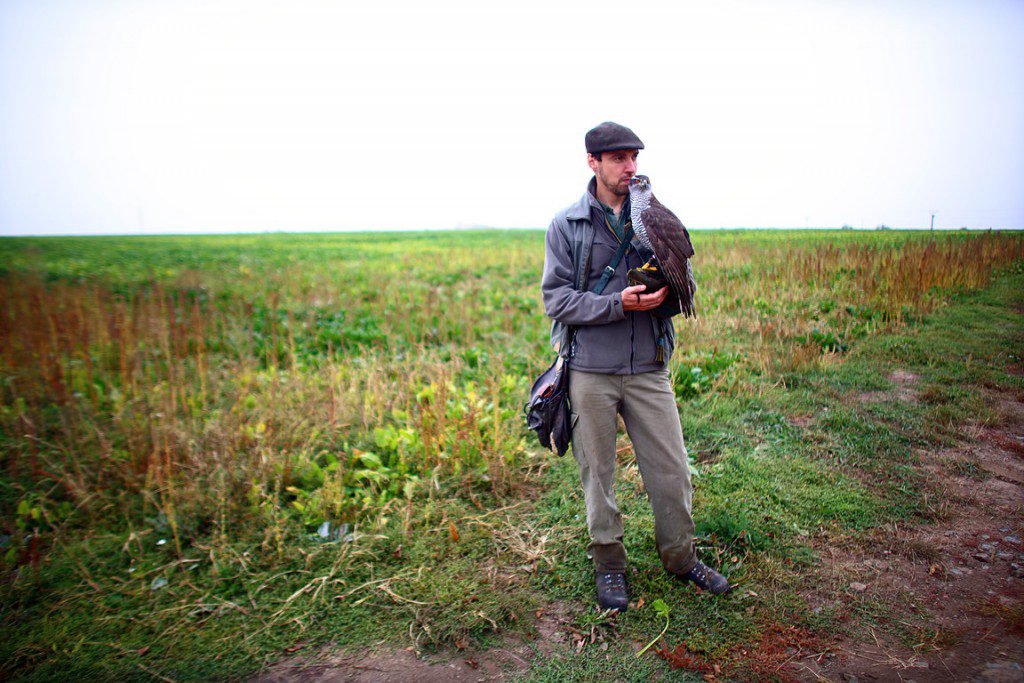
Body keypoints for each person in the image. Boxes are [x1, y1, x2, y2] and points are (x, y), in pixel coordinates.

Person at [540, 121, 730, 612]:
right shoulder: (568, 225)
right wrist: (618, 305)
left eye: (634, 158)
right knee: (598, 476)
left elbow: (686, 284)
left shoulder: (656, 216)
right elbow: (556, 299)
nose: (630, 167)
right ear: (593, 163)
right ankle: (609, 565)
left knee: (671, 470)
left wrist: (663, 300)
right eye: (619, 158)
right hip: (589, 372)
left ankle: (682, 558)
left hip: (648, 367)